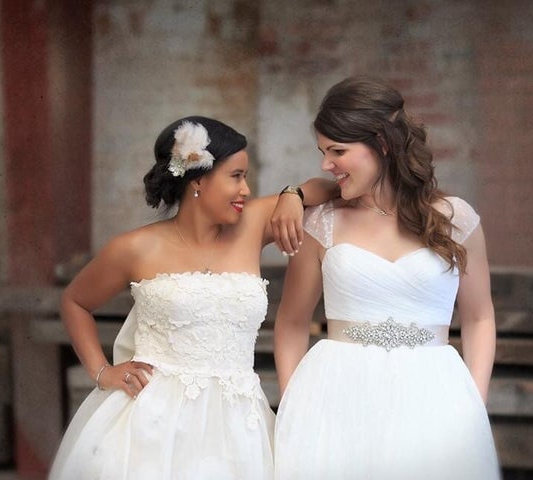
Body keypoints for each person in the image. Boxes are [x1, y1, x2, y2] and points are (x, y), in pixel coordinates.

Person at [48, 115, 337, 480]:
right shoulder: (134, 247)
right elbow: (74, 302)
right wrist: (102, 371)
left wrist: (292, 196)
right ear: (198, 179)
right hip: (151, 424)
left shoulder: (253, 223)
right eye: (236, 176)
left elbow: (330, 188)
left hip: (239, 426)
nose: (246, 190)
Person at [273, 77, 501, 479]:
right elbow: (291, 323)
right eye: (324, 152)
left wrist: (473, 400)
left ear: (381, 143)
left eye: (338, 151)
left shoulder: (455, 219)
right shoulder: (321, 224)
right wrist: (296, 405)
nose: (327, 164)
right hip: (334, 399)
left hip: (434, 398)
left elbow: (480, 318)